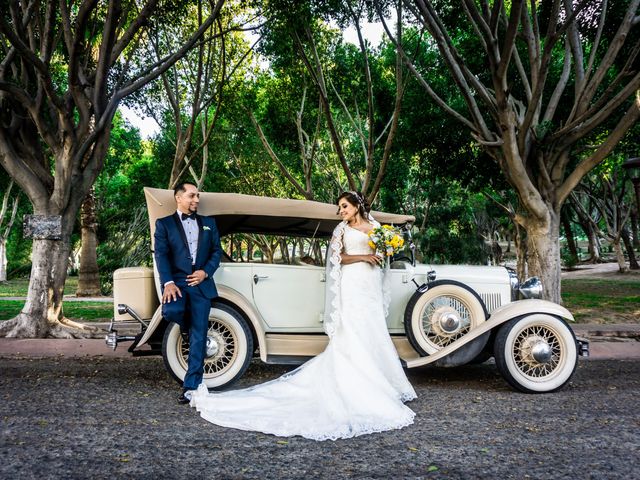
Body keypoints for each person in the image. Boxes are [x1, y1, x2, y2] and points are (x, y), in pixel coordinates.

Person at [189, 191, 416, 440]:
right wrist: (364, 256)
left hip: (370, 283)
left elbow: (382, 252)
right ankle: (358, 382)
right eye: (340, 207)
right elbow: (337, 257)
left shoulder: (375, 226)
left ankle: (381, 380)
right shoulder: (342, 229)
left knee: (372, 328)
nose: (341, 211)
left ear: (357, 206)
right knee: (352, 328)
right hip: (352, 283)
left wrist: (382, 254)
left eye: (345, 206)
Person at [154, 182, 223, 404]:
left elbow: (216, 252)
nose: (196, 200)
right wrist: (168, 283)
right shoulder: (164, 224)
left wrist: (205, 272)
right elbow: (161, 255)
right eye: (192, 196)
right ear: (178, 198)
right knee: (171, 311)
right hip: (178, 283)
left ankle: (191, 386)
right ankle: (186, 327)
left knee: (200, 335)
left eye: (198, 196)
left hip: (201, 285)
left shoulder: (209, 223)